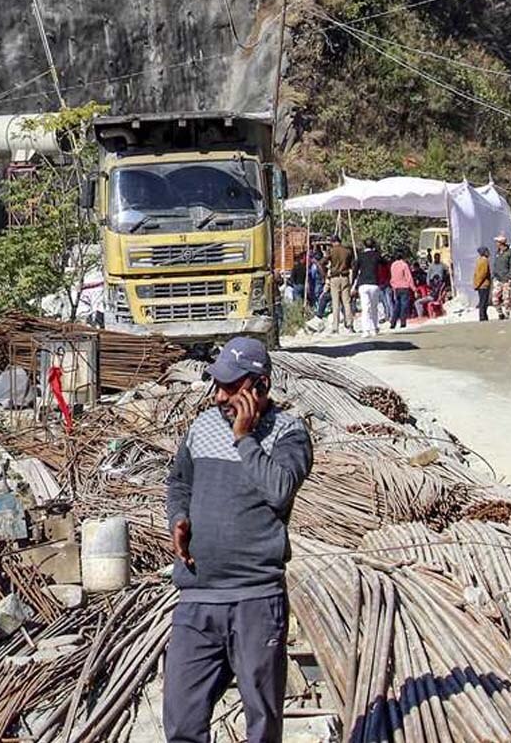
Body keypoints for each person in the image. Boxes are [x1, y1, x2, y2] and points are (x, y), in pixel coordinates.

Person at [164, 337, 313, 743]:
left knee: (261, 724)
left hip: (255, 600)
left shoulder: (290, 433)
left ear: (260, 386)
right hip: (197, 598)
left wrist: (245, 438)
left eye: (230, 387)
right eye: (217, 385)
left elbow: (280, 489)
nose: (219, 396)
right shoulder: (201, 428)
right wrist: (178, 517)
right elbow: (178, 483)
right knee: (181, 720)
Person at [322, 235, 355, 334]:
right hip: (345, 277)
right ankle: (349, 325)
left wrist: (325, 274)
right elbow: (351, 265)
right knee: (347, 302)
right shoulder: (347, 251)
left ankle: (335, 327)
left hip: (334, 277)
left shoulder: (331, 251)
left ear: (333, 242)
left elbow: (322, 262)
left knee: (335, 303)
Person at [354, 238, 382, 337]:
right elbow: (383, 262)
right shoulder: (376, 255)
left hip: (363, 283)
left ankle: (366, 331)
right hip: (374, 283)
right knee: (374, 307)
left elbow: (355, 270)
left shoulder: (360, 256)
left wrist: (354, 284)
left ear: (364, 245)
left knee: (365, 308)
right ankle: (374, 328)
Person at [388, 249, 416, 329]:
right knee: (404, 305)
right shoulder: (404, 265)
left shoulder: (393, 265)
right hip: (404, 287)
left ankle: (393, 322)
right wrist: (413, 288)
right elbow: (409, 277)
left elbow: (392, 277)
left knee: (397, 305)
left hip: (396, 288)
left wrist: (393, 286)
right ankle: (403, 322)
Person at [490, 235, 511, 320]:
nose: (496, 244)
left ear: (501, 243)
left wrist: (510, 277)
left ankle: (507, 313)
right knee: (494, 298)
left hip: (506, 279)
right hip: (497, 279)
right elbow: (495, 265)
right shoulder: (497, 253)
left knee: (506, 298)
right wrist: (493, 275)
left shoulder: (509, 253)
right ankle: (500, 313)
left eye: (497, 242)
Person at [474, 246, 492, 321]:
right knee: (483, 302)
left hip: (480, 284)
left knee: (482, 301)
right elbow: (482, 274)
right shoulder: (484, 261)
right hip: (483, 284)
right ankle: (483, 317)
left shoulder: (479, 260)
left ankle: (483, 316)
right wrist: (478, 284)